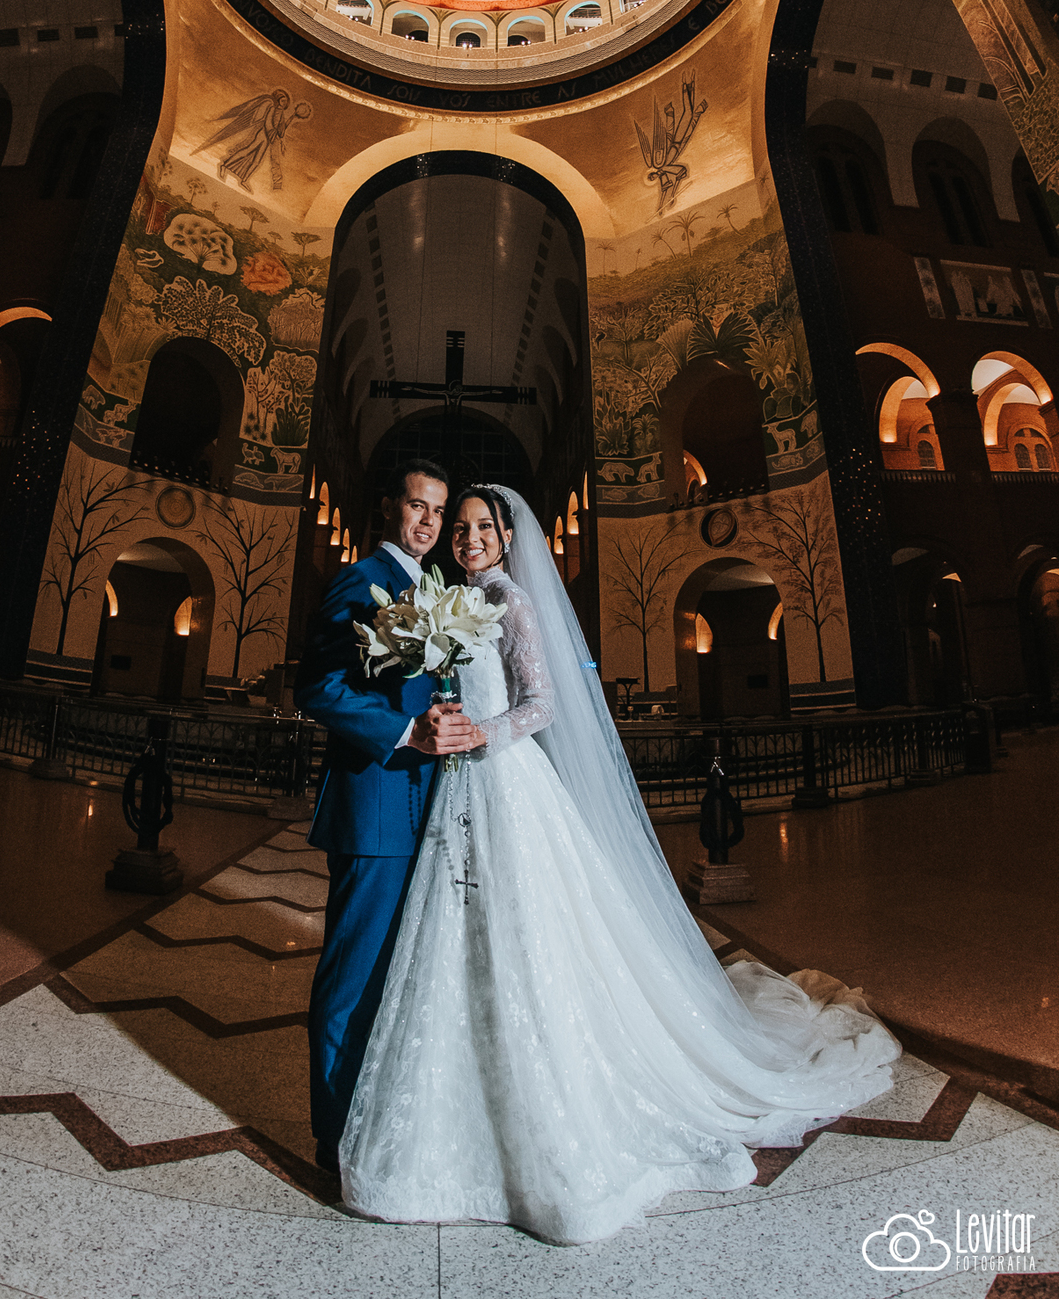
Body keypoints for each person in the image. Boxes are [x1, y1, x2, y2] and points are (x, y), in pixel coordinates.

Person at [339, 484, 902, 1245]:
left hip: (507, 782)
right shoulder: (451, 600)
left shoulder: (512, 602)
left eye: (483, 527)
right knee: (456, 932)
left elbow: (542, 704)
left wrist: (484, 735)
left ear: (507, 537)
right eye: (460, 527)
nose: (468, 538)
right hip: (456, 787)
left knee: (526, 935)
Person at [293, 458, 481, 1174]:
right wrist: (406, 733)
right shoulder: (361, 578)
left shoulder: (432, 588)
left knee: (400, 974)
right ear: (389, 509)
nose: (428, 521)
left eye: (438, 510)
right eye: (417, 506)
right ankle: (333, 1135)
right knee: (354, 976)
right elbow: (318, 687)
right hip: (374, 808)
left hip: (422, 808)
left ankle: (375, 1122)